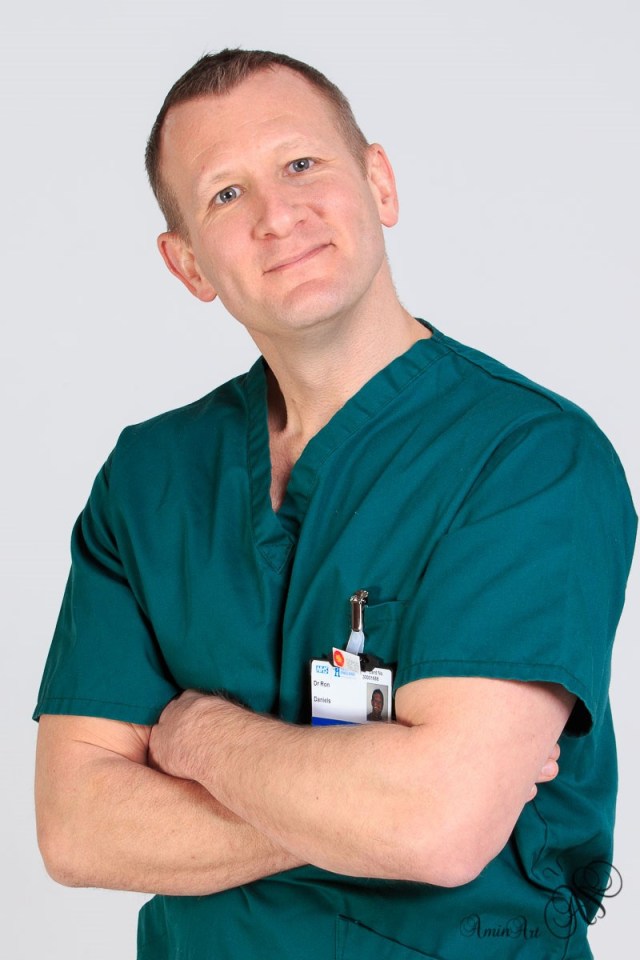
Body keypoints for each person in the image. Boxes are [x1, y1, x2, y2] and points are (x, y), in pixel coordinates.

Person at [34, 48, 636, 960]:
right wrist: (377, 803)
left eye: (301, 163)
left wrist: (196, 738)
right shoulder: (148, 476)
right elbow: (75, 830)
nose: (279, 215)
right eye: (225, 195)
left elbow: (436, 824)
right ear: (188, 262)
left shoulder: (530, 456)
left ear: (380, 183)